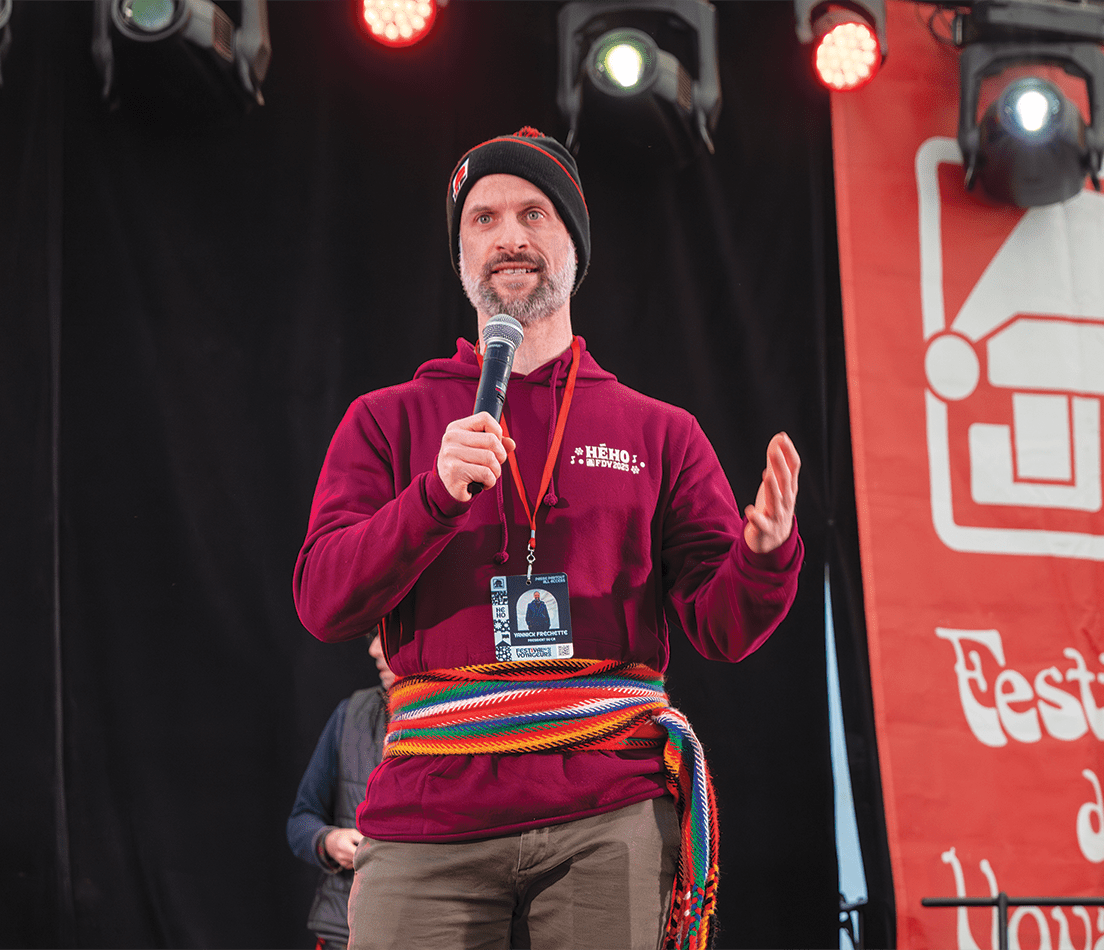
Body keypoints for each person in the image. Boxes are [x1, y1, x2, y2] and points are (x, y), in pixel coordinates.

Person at [293, 127, 803, 950]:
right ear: (460, 251)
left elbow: (721, 626)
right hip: (429, 808)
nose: (510, 237)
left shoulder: (658, 431)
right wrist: (432, 496)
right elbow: (323, 602)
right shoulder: (389, 420)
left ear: (574, 242)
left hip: (608, 807)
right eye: (484, 219)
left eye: (535, 213)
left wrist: (764, 556)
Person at [286, 634, 394, 950]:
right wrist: (330, 842)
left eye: (385, 635)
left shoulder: (466, 721)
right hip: (345, 931)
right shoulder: (352, 714)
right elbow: (300, 821)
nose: (374, 649)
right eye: (374, 636)